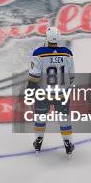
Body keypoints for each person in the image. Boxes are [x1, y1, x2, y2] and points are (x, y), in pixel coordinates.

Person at [29, 27, 75, 155]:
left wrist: (30, 90)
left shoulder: (38, 53)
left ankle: (38, 140)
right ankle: (68, 142)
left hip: (43, 93)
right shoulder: (67, 52)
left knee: (40, 117)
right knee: (64, 118)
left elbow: (34, 76)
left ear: (46, 37)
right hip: (62, 93)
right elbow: (71, 75)